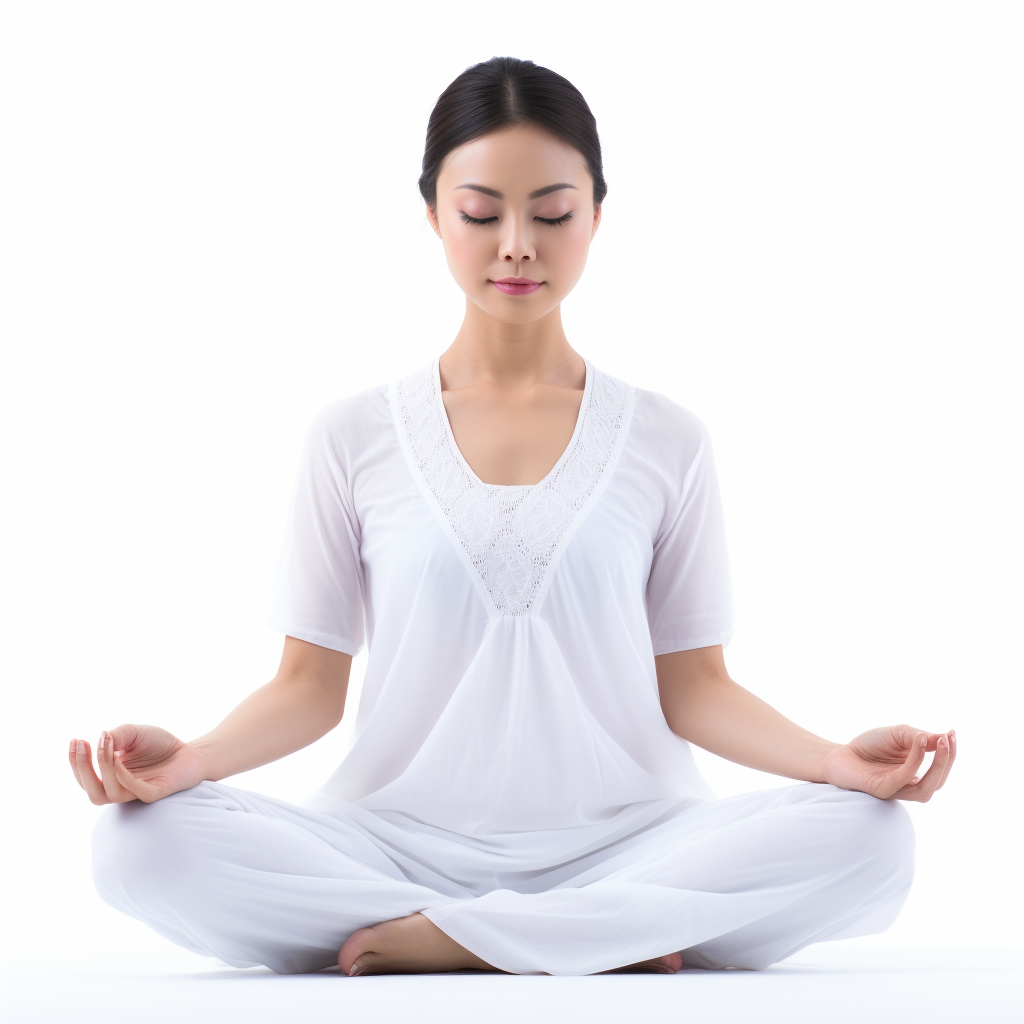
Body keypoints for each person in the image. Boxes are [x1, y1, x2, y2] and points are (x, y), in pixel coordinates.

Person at [69, 57, 955, 978]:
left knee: (872, 837)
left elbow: (694, 686)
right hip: (392, 845)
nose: (518, 245)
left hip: (632, 842)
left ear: (598, 216)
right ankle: (602, 936)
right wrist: (193, 763)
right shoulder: (352, 436)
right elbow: (308, 687)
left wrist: (834, 763)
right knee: (136, 846)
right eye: (483, 213)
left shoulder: (667, 440)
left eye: (554, 213)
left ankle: (460, 939)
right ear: (433, 216)